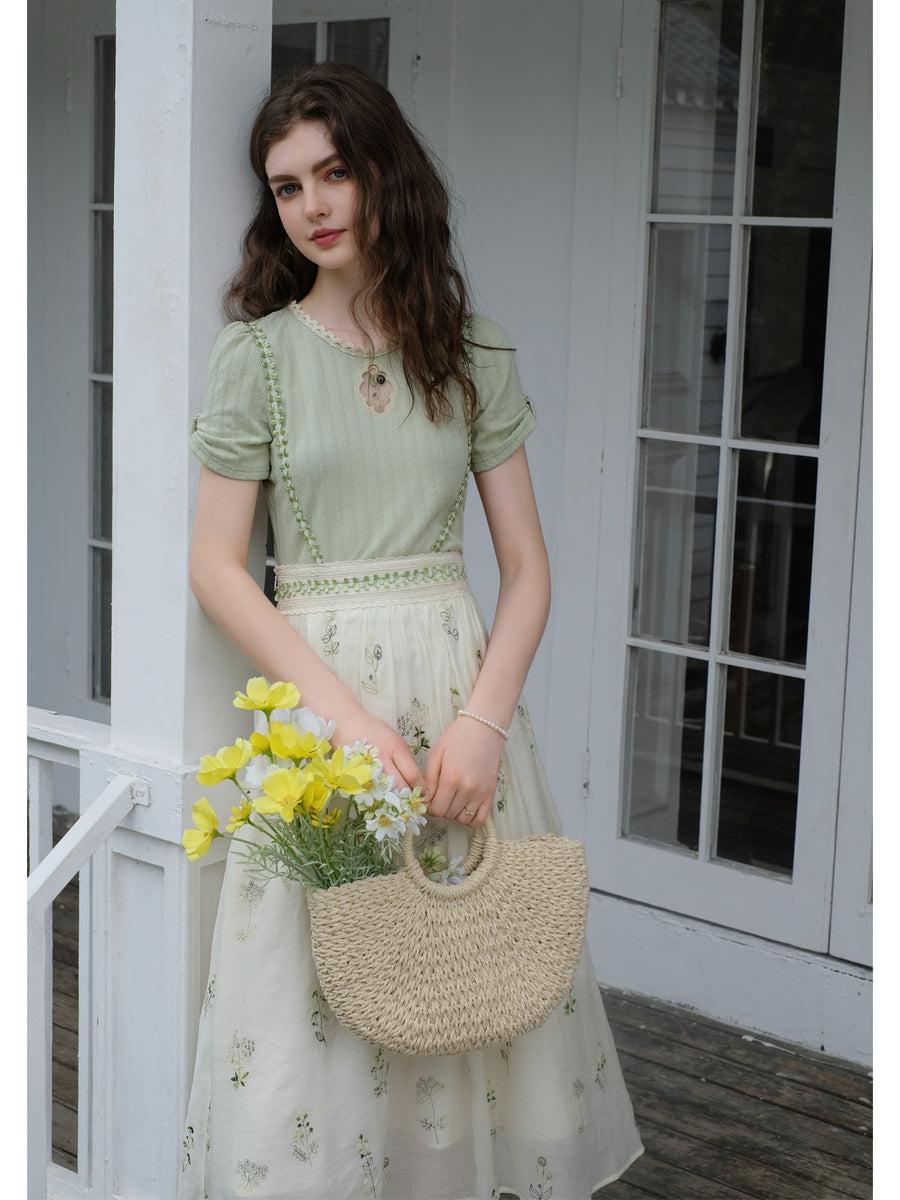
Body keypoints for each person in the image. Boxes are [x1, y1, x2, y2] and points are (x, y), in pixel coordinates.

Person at [178, 61, 644, 1200]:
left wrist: (481, 724)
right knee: (322, 990)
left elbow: (529, 572)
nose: (315, 204)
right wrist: (342, 722)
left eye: (335, 171)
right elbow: (217, 569)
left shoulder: (471, 352)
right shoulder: (260, 358)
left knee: (466, 972)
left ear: (387, 172)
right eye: (287, 187)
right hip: (323, 712)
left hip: (457, 701)